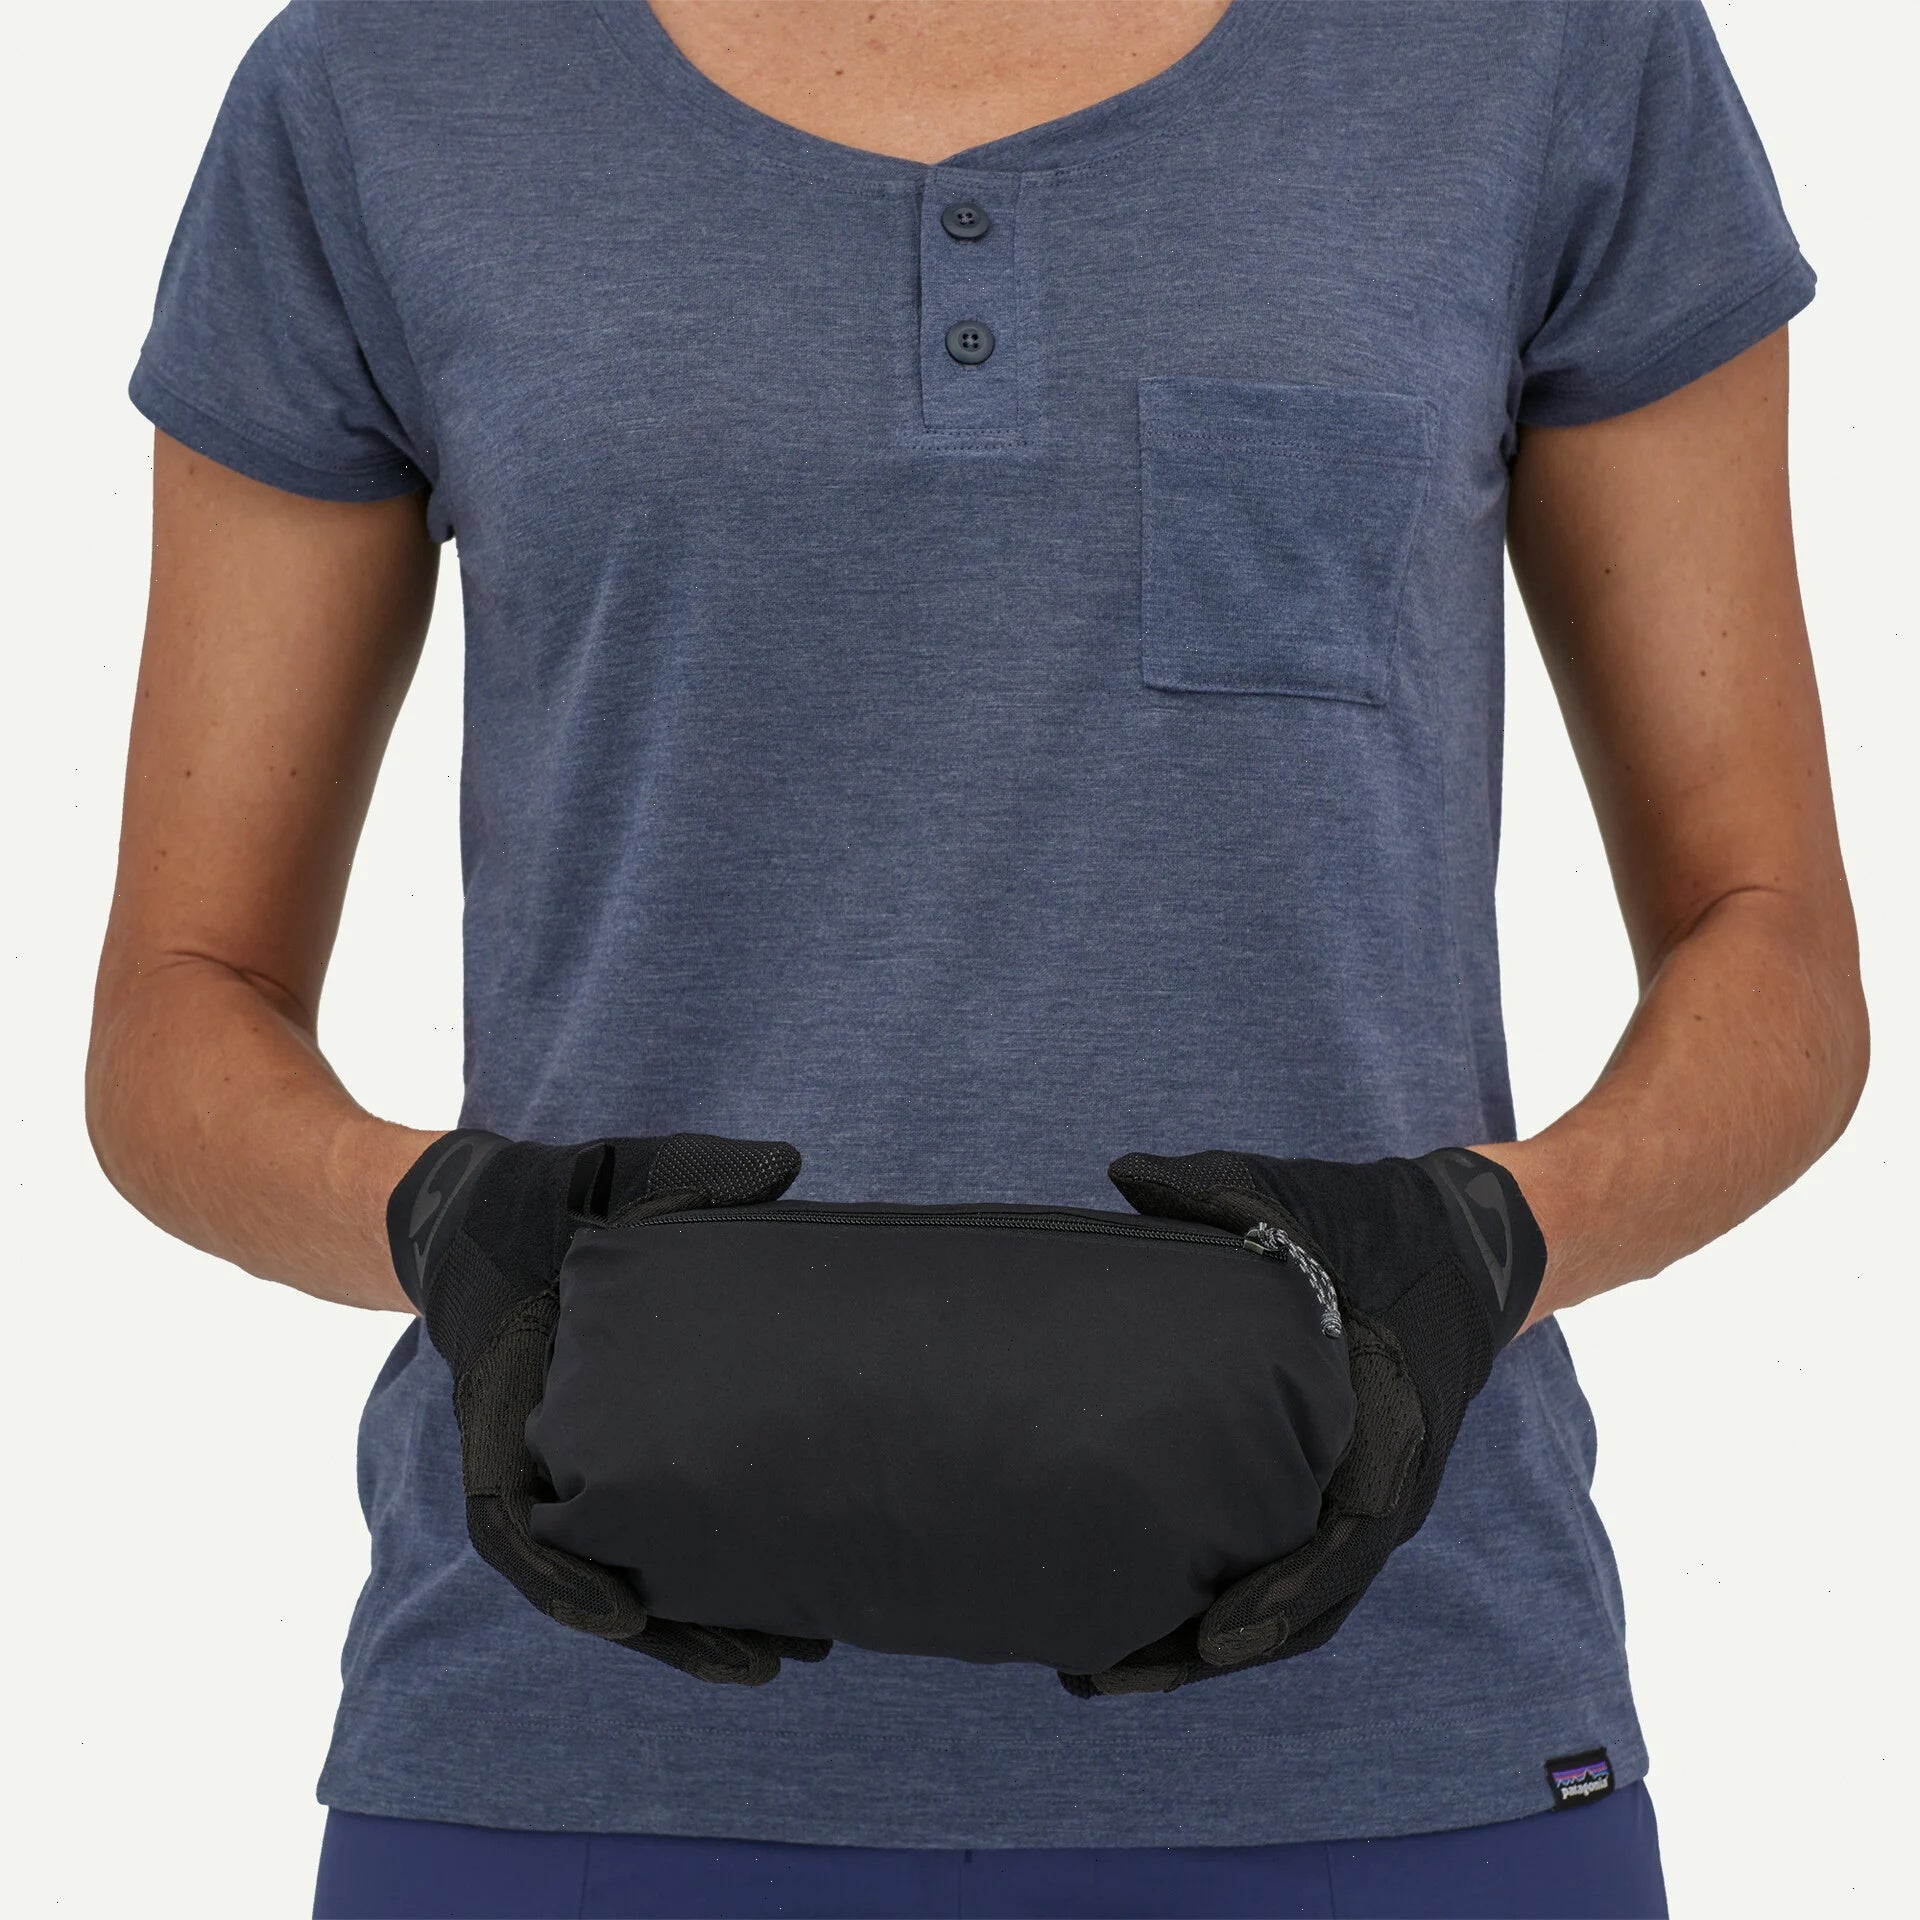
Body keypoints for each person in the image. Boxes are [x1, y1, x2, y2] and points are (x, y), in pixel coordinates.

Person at [88, 1, 1865, 1914]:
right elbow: (182, 1005)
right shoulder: (385, 81)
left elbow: (1769, 942)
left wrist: (1493, 1245)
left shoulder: (1548, 49)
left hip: (1402, 1748)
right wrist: (444, 1229)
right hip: (568, 1763)